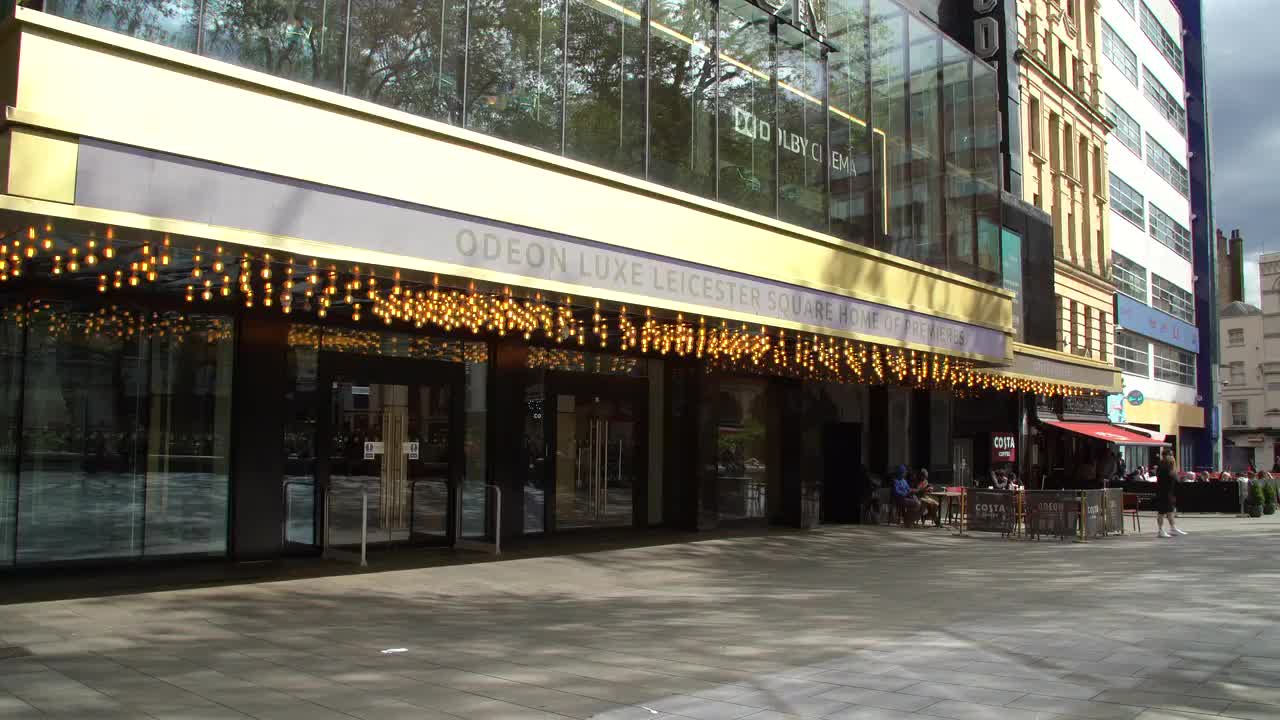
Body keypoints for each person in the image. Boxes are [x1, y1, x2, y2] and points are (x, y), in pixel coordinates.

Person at [1155, 449, 1186, 538]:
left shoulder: (1164, 465)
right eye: (1171, 455)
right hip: (1164, 492)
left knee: (1170, 511)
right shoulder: (1166, 466)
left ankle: (1173, 528)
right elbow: (1175, 477)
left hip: (1167, 491)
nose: (1172, 457)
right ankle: (1160, 530)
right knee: (1162, 511)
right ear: (1166, 456)